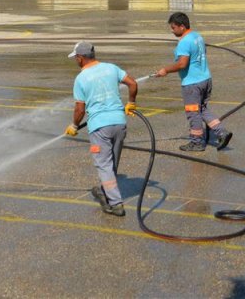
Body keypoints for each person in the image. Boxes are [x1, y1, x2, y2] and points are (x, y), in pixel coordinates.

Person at [65, 41, 138, 217]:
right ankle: (107, 191)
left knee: (104, 165)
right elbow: (133, 83)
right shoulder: (111, 68)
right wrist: (131, 103)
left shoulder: (81, 78)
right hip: (119, 123)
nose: (76, 60)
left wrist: (74, 125)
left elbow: (80, 109)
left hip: (100, 127)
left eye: (76, 57)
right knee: (112, 162)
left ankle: (115, 203)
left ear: (81, 58)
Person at [155, 12, 232, 152]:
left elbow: (182, 64)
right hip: (205, 79)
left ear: (182, 27)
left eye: (173, 28)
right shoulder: (197, 36)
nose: (172, 31)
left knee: (193, 112)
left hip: (192, 84)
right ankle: (222, 132)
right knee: (202, 109)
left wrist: (165, 70)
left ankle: (196, 142)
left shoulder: (184, 42)